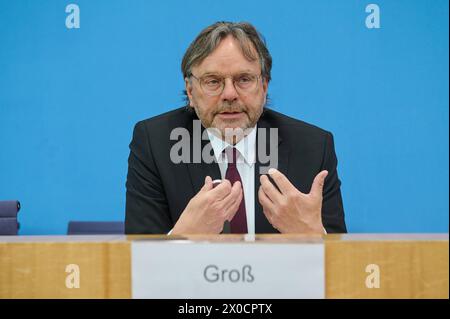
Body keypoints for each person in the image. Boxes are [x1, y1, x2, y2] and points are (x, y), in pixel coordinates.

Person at [125, 21, 347, 235]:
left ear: (264, 86)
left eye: (244, 79)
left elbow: (343, 264)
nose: (229, 94)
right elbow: (137, 262)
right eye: (213, 81)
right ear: (190, 91)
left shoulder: (313, 147)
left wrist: (311, 235)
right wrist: (183, 237)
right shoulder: (155, 143)